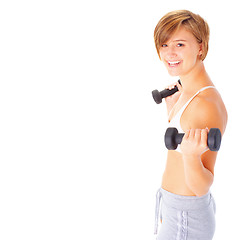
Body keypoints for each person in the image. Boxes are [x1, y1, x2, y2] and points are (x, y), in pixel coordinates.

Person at [153, 10, 228, 240]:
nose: (170, 53)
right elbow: (180, 147)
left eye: (180, 44)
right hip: (174, 208)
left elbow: (201, 186)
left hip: (185, 216)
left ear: (200, 47)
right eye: (164, 45)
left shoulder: (205, 104)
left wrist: (190, 156)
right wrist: (172, 112)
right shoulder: (187, 90)